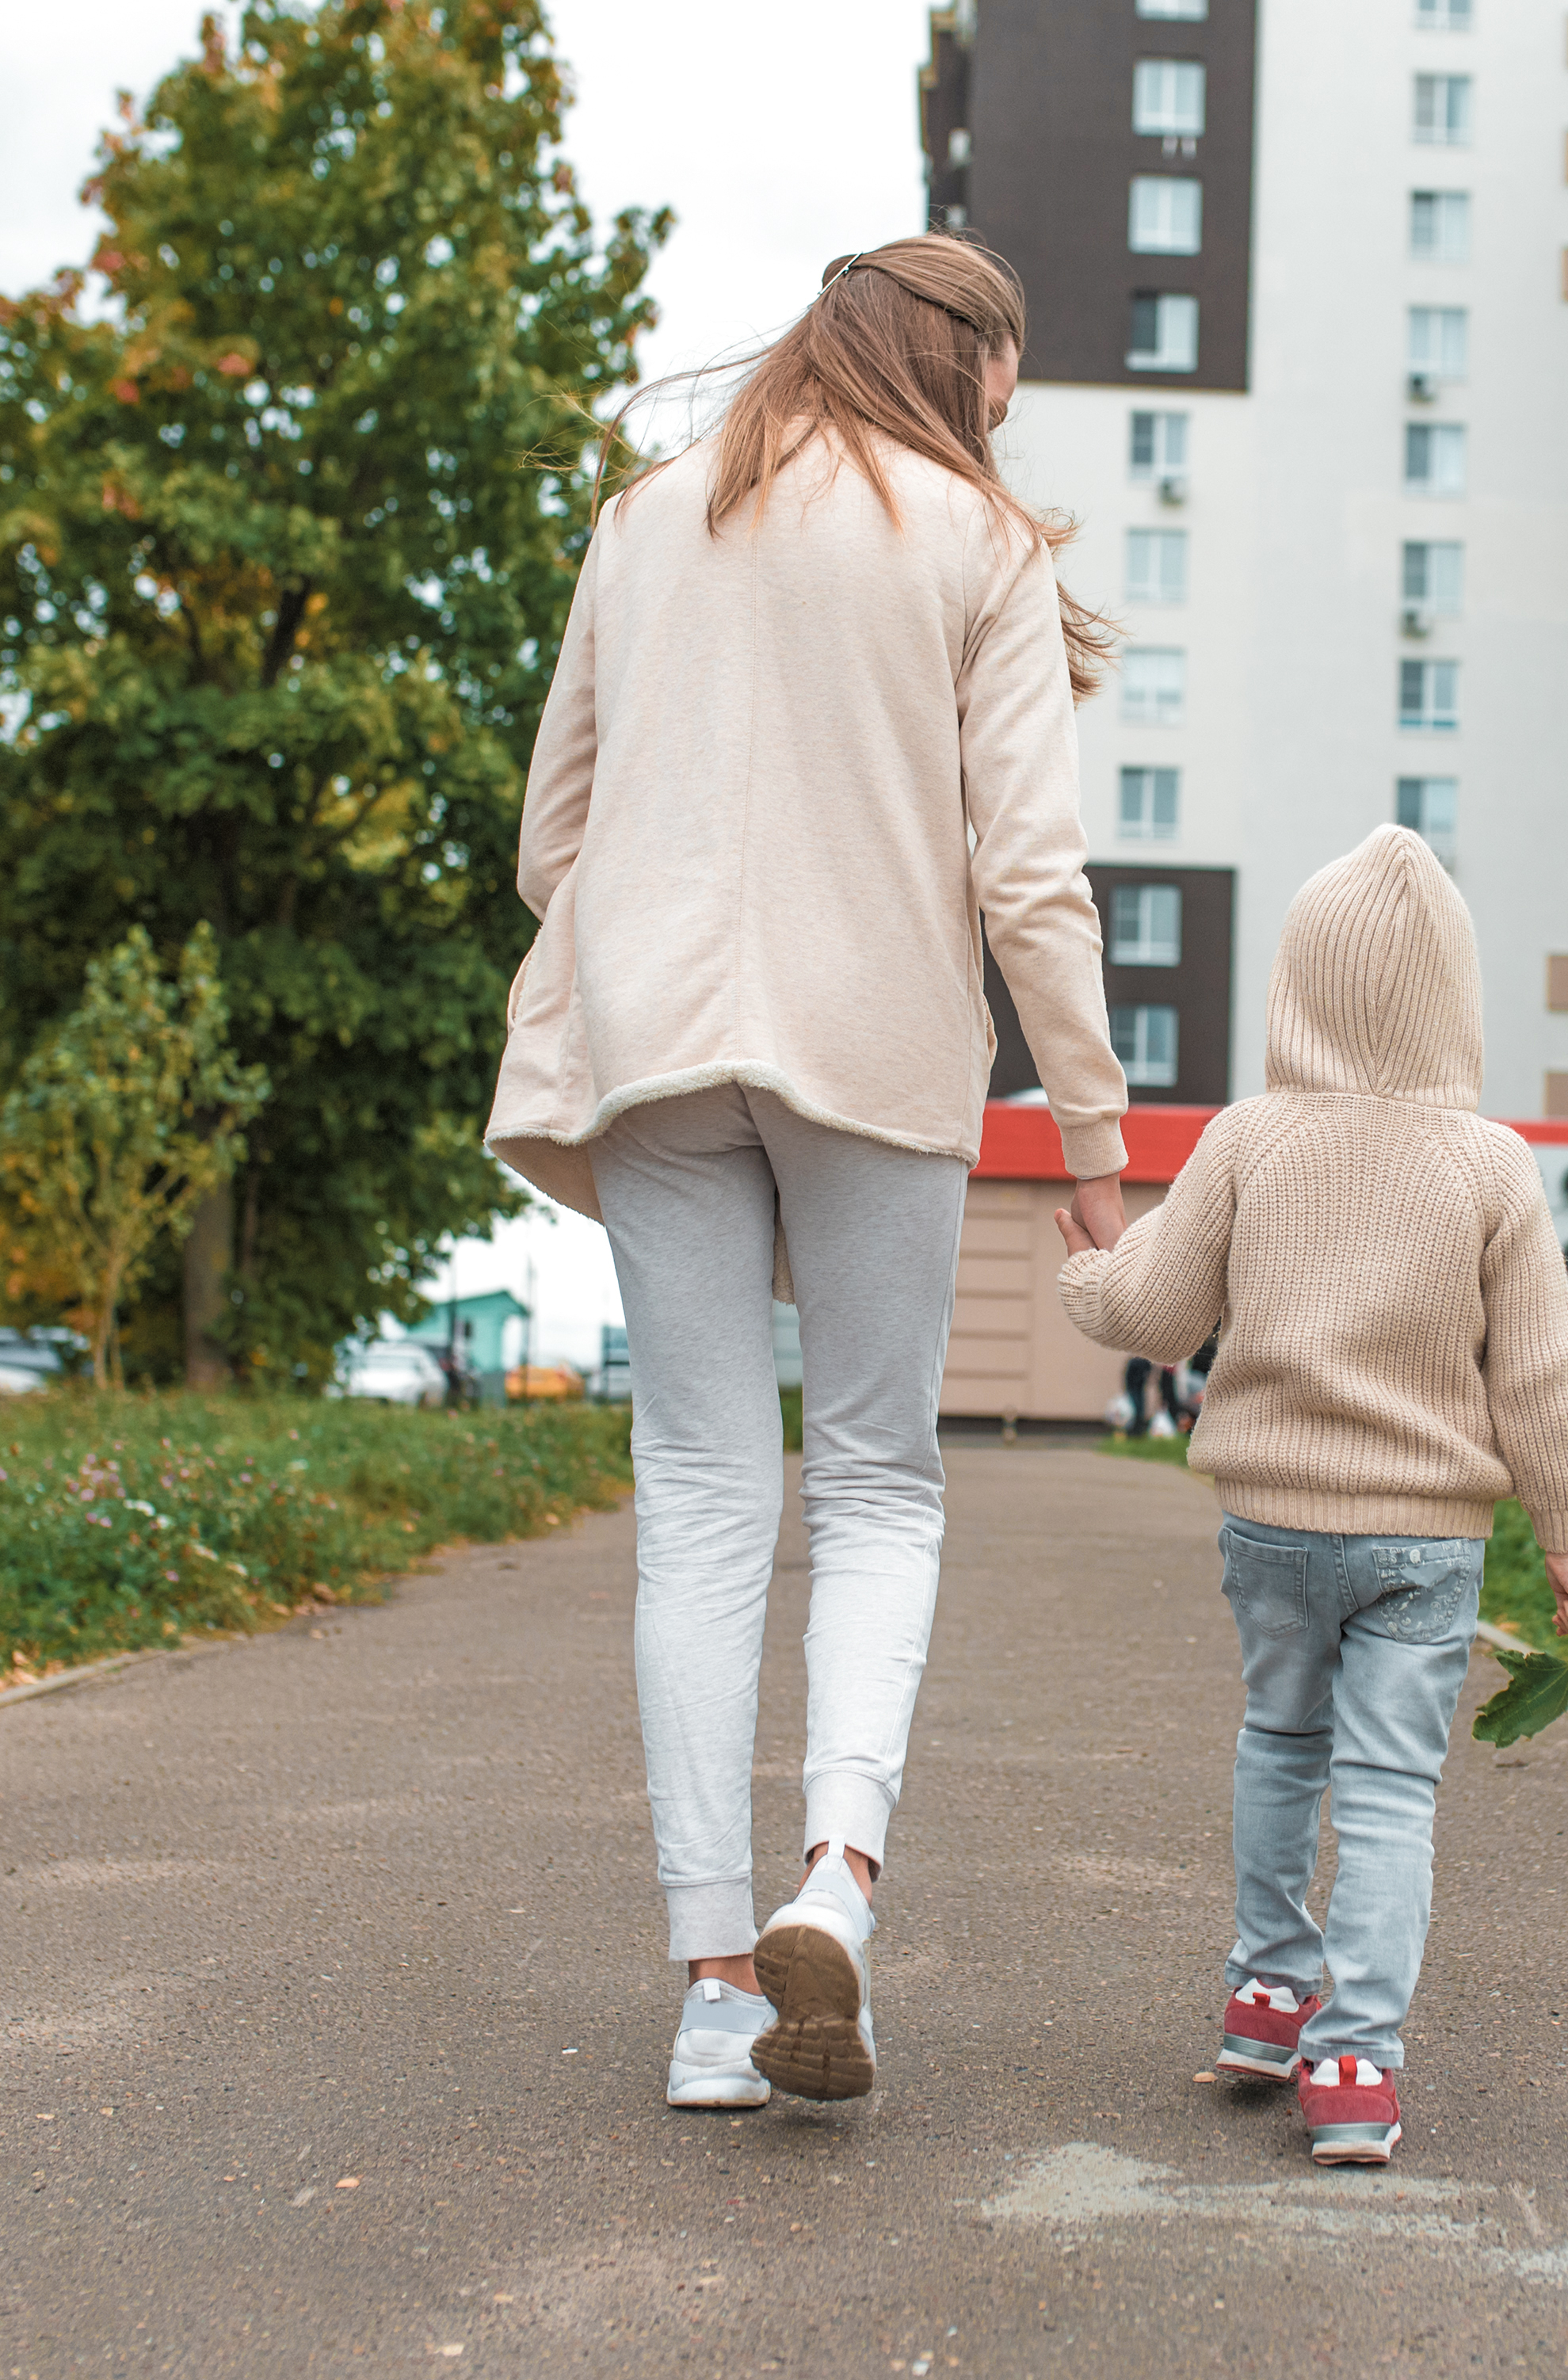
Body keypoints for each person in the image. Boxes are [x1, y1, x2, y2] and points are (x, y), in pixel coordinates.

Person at [484, 235, 1130, 2111]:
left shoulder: (645, 516)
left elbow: (555, 834)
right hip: (875, 1048)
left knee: (697, 1484)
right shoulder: (978, 540)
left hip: (656, 1040)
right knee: (876, 1482)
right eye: (1007, 372)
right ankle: (835, 1875)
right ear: (963, 356)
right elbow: (1030, 874)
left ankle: (709, 1991)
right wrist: (1094, 1140)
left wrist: (659, 930)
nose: (1011, 409)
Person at [1052, 826, 1568, 2166]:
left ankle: (1264, 1993)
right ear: (1455, 1000)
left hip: (1275, 1526)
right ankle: (1355, 2060)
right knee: (1390, 1793)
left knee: (1279, 1747)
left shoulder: (1251, 1139)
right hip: (1426, 1545)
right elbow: (1539, 1376)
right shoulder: (1491, 1167)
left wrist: (1090, 1268)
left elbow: (1159, 1311)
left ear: (1299, 988)